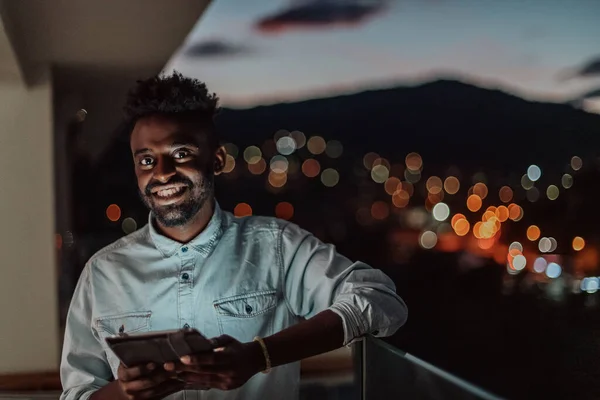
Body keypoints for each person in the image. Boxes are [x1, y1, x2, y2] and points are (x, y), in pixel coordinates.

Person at [60, 72, 408, 400]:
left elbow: (379, 300)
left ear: (218, 160)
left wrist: (261, 356)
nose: (162, 174)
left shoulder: (277, 246)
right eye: (146, 160)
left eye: (181, 154)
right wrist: (124, 393)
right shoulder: (102, 272)